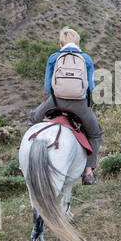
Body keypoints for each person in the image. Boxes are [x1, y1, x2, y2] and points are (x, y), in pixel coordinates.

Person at [29, 27, 102, 185]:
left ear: (61, 43)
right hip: (80, 105)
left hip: (55, 102)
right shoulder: (87, 59)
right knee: (95, 133)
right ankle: (88, 172)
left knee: (33, 120)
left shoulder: (54, 58)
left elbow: (48, 88)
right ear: (77, 42)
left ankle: (27, 158)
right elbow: (91, 88)